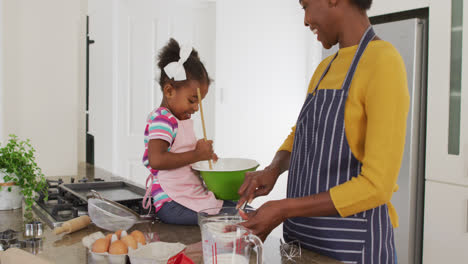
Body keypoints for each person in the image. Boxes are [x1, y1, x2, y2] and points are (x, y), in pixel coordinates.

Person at [237, 0, 409, 263]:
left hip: (353, 250)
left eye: (305, 5)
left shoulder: (383, 62)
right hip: (303, 244)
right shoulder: (324, 68)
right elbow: (302, 135)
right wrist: (273, 169)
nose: (305, 20)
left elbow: (377, 186)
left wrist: (284, 208)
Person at [142, 38, 235, 225]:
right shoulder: (163, 119)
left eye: (199, 102)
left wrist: (203, 156)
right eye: (192, 100)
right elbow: (157, 160)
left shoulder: (180, 119)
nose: (196, 108)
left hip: (188, 196)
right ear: (169, 91)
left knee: (237, 207)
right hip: (171, 203)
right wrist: (196, 154)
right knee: (234, 215)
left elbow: (185, 156)